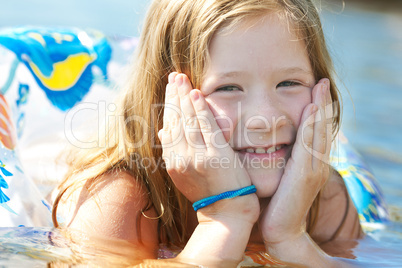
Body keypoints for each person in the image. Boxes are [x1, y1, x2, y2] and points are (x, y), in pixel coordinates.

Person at [52, 0, 363, 266]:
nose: (265, 119)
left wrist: (290, 237)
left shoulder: (326, 198)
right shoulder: (119, 201)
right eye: (228, 87)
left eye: (289, 83)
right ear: (170, 101)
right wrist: (225, 219)